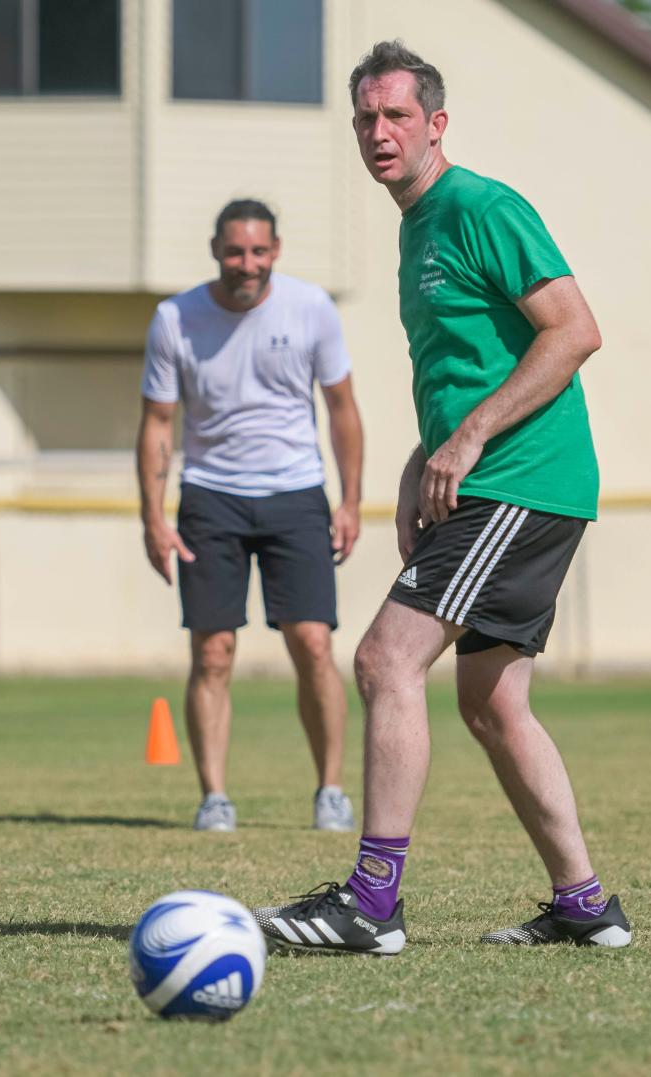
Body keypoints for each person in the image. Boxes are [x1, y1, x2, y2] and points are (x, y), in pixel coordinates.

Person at [252, 42, 631, 951]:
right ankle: (585, 906)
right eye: (365, 119)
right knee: (493, 703)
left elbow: (574, 331)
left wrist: (465, 441)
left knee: (386, 661)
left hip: (519, 479)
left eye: (396, 116)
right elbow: (472, 364)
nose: (379, 133)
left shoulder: (480, 206)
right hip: (498, 480)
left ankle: (371, 906)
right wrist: (424, 455)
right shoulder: (418, 225)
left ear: (436, 124)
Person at [137, 199, 364, 833]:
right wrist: (153, 518)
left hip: (297, 494)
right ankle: (214, 797)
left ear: (277, 251)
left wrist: (349, 501)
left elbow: (343, 410)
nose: (247, 264)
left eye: (259, 252)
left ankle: (331, 791)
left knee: (313, 643)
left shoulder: (312, 308)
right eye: (235, 252)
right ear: (215, 250)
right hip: (211, 497)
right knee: (212, 652)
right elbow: (157, 423)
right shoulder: (175, 318)